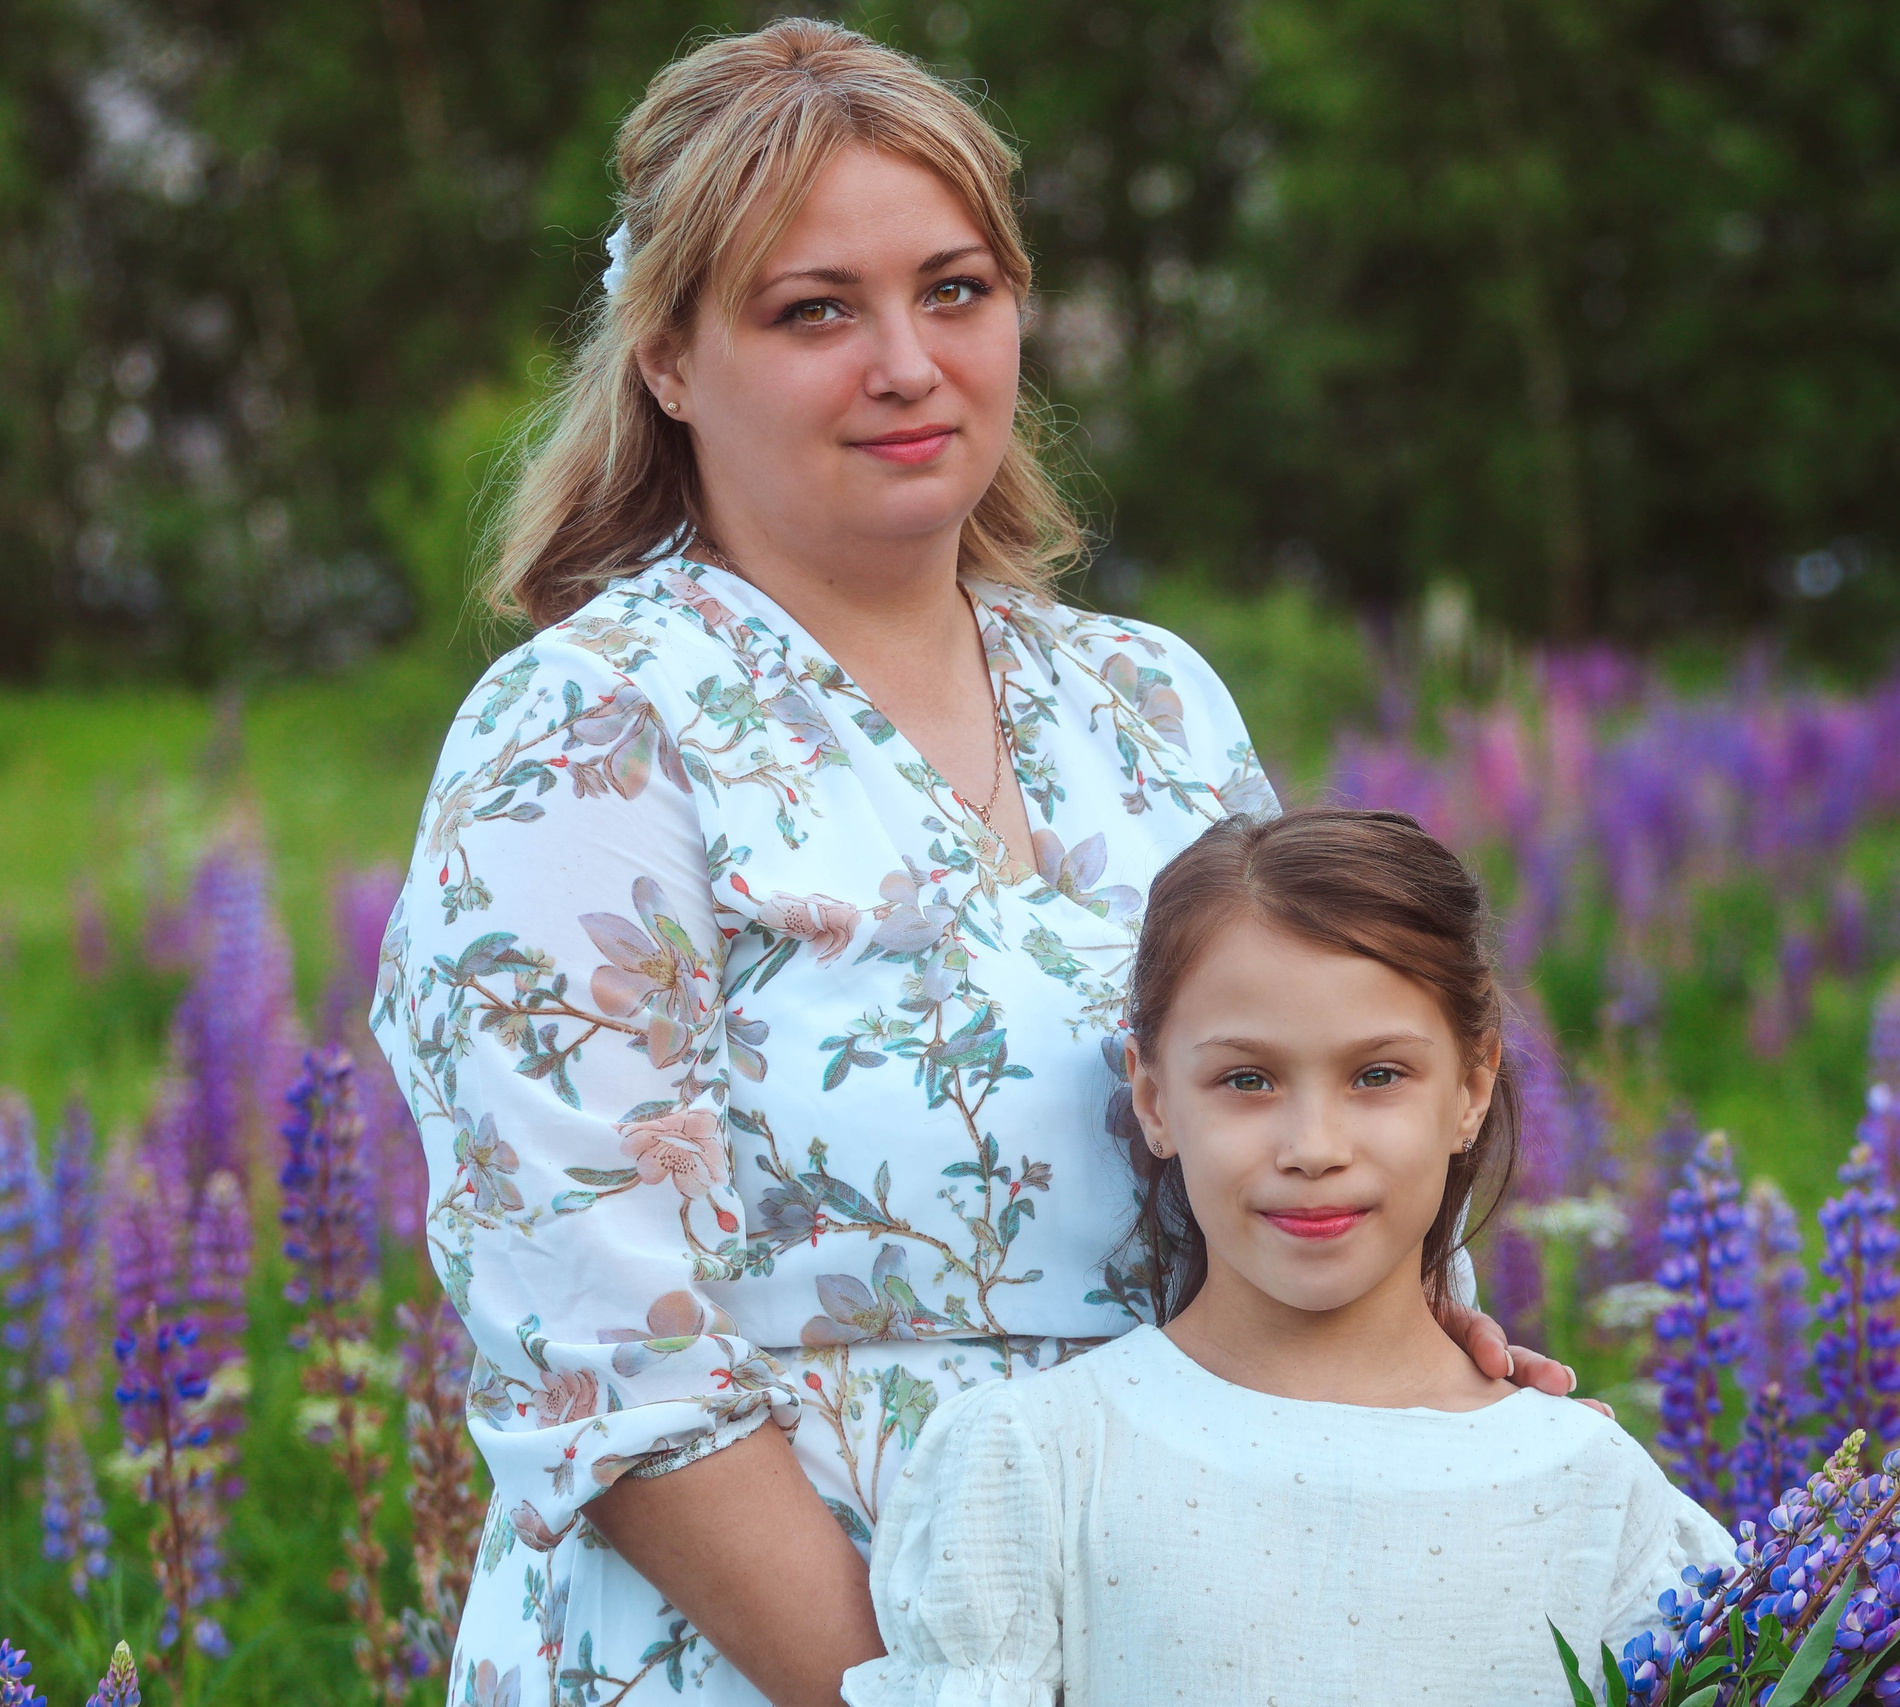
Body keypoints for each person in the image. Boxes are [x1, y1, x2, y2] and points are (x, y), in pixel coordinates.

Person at [372, 23, 1574, 1707]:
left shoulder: (1146, 697)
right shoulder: (588, 733)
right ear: (665, 355)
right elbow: (605, 1365)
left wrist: (1421, 1354)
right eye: (815, 310)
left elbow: (1320, 1102)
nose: (908, 362)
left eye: (954, 290)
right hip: (767, 1653)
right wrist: (922, 1690)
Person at [843, 810, 1738, 1705]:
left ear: (1471, 1089)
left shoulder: (1590, 1485)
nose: (1314, 1145)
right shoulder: (1041, 1459)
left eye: (1377, 1074)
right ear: (1153, 1096)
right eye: (1247, 1079)